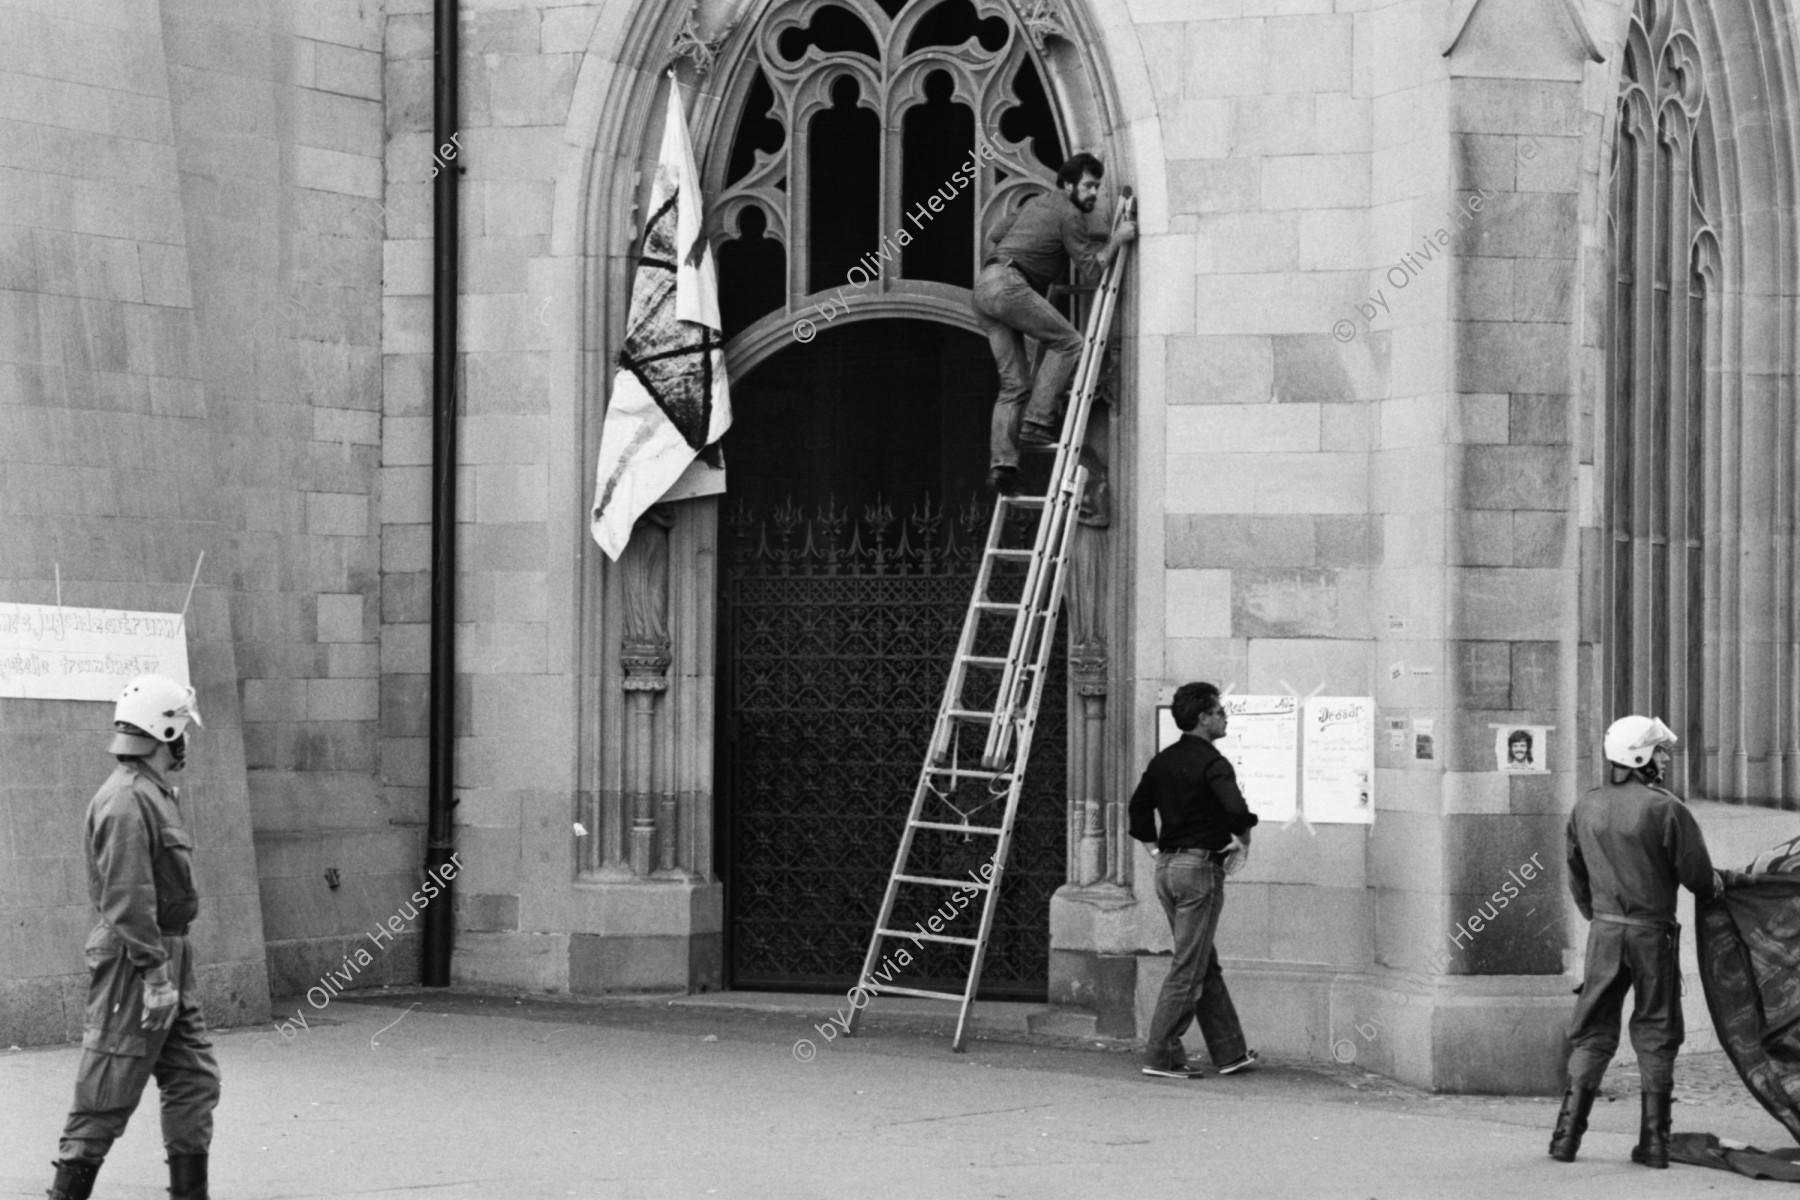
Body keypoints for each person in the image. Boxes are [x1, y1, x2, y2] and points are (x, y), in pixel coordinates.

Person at [45, 675, 218, 1200]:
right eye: (182, 729)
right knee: (110, 1083)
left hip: (165, 952)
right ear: (166, 732)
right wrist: (156, 975)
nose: (185, 739)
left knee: (193, 1078)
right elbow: (127, 896)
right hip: (137, 957)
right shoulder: (126, 800)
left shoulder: (152, 793)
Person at [1550, 715, 1741, 1168]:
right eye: (1659, 751)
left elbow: (1577, 879)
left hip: (1604, 933)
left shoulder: (1586, 806)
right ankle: (1654, 1144)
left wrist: (1602, 921)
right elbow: (1698, 878)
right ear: (1638, 757)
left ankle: (1565, 1140)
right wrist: (1722, 884)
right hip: (1652, 934)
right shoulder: (1665, 808)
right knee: (1656, 1032)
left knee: (1593, 1033)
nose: (1665, 758)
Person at [972, 152, 1137, 496]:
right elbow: (1092, 269)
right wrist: (1118, 237)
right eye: (1090, 186)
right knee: (1070, 342)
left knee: (1013, 385)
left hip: (985, 285)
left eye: (1097, 187)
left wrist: (1033, 245)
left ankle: (1002, 467)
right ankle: (1036, 423)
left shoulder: (1035, 205)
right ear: (1068, 184)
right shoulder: (1070, 213)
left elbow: (995, 234)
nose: (1094, 193)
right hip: (1009, 283)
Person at [1128, 681, 1260, 1079]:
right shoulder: (1212, 762)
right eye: (1220, 712)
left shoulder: (1163, 761)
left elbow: (1137, 811)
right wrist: (1243, 840)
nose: (1225, 717)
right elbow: (1236, 810)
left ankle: (1230, 1051)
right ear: (1203, 718)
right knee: (1188, 965)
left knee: (1203, 960)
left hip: (1167, 870)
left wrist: (1155, 851)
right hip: (1199, 870)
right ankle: (1161, 1054)